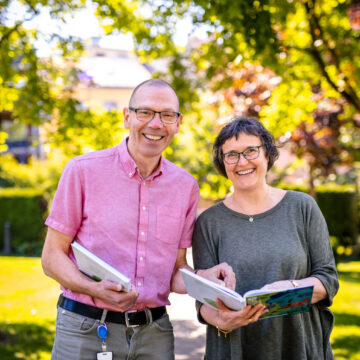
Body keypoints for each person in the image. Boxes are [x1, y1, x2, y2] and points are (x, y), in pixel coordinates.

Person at [41, 79, 234, 360]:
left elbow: (175, 270)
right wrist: (95, 289)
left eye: (167, 115)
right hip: (85, 330)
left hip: (154, 336)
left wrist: (204, 279)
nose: (156, 123)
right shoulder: (82, 171)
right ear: (126, 117)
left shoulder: (186, 186)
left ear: (178, 123)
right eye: (145, 112)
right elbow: (51, 257)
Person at [192, 116, 339, 360]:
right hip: (235, 349)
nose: (242, 162)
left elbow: (328, 280)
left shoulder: (302, 207)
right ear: (223, 162)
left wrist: (291, 290)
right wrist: (222, 319)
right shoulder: (209, 222)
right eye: (231, 155)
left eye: (251, 151)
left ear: (268, 154)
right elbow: (204, 299)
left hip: (299, 345)